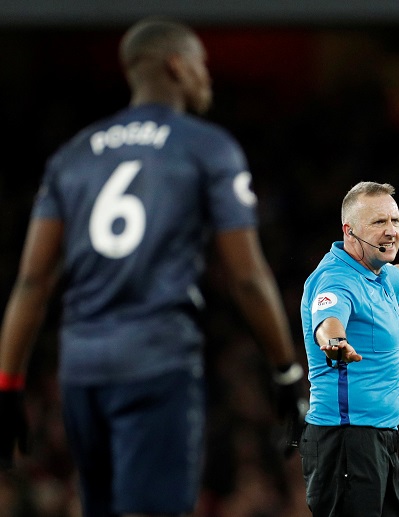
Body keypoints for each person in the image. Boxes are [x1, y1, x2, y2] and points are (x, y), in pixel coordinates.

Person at [0, 16, 307, 517]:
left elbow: (33, 281)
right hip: (156, 361)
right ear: (177, 65)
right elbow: (247, 277)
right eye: (202, 66)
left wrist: (7, 385)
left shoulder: (72, 156)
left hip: (81, 369)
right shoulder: (208, 147)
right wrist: (285, 369)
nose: (207, 78)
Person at [298, 181, 399, 517]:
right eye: (379, 222)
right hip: (345, 443)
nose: (391, 231)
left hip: (379, 441)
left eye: (395, 221)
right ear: (349, 231)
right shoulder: (336, 279)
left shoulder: (378, 277)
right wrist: (335, 344)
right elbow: (328, 319)